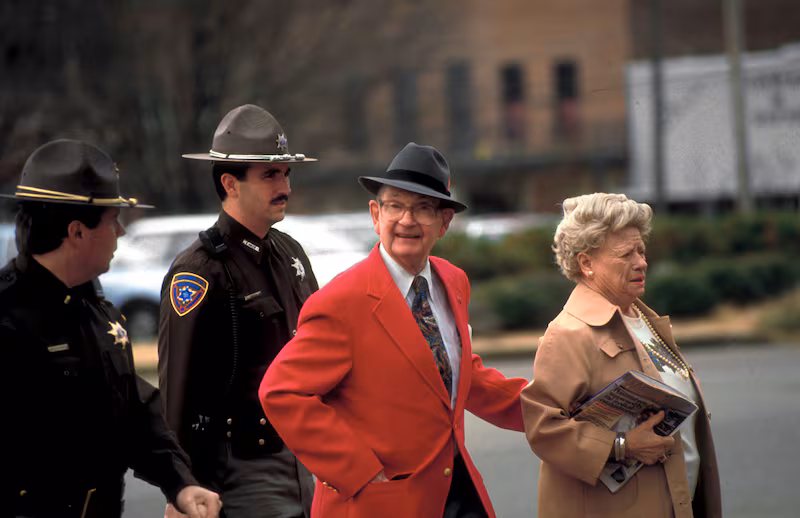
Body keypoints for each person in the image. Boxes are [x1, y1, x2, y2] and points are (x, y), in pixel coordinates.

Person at [259, 142, 529, 518]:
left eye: (422, 208)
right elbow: (282, 392)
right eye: (396, 206)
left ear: (444, 222)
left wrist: (547, 405)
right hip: (377, 503)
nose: (407, 220)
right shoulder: (342, 301)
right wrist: (359, 472)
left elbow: (457, 374)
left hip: (456, 493)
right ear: (375, 213)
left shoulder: (453, 282)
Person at [0, 139, 222, 518]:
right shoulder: (9, 321)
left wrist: (180, 483)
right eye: (111, 220)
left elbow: (132, 410)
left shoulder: (97, 310)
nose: (120, 231)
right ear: (77, 232)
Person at [159, 104, 317, 518]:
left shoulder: (290, 254)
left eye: (285, 173)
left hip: (303, 457)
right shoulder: (200, 270)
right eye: (269, 174)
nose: (283, 184)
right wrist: (182, 486)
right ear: (230, 183)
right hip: (242, 467)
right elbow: (180, 385)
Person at [521, 193, 722, 518]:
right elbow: (542, 429)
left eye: (641, 250)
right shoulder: (569, 333)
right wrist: (622, 446)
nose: (641, 261)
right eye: (625, 253)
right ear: (586, 263)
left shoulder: (642, 318)